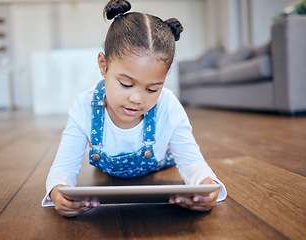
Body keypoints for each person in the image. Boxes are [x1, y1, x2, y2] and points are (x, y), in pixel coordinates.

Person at [42, 0, 227, 217]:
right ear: (103, 65)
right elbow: (63, 168)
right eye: (126, 84)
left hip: (160, 163)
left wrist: (205, 185)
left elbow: (192, 162)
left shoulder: (168, 105)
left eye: (152, 89)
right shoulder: (84, 107)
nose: (137, 99)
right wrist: (58, 191)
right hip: (106, 172)